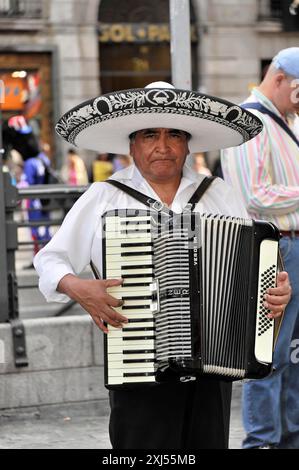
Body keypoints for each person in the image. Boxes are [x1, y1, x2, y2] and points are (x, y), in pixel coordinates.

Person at [34, 81, 291, 449]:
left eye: (174, 135)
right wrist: (77, 287)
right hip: (138, 362)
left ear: (187, 144)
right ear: (132, 144)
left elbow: (257, 265)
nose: (163, 146)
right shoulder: (104, 196)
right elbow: (49, 259)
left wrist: (277, 290)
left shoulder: (218, 192)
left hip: (215, 364)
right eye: (150, 134)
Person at [221, 47, 299, 449]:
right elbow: (254, 197)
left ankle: (289, 437)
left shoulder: (288, 121)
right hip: (276, 246)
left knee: (294, 353)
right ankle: (263, 442)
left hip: (291, 244)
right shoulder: (248, 120)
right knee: (268, 353)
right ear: (280, 79)